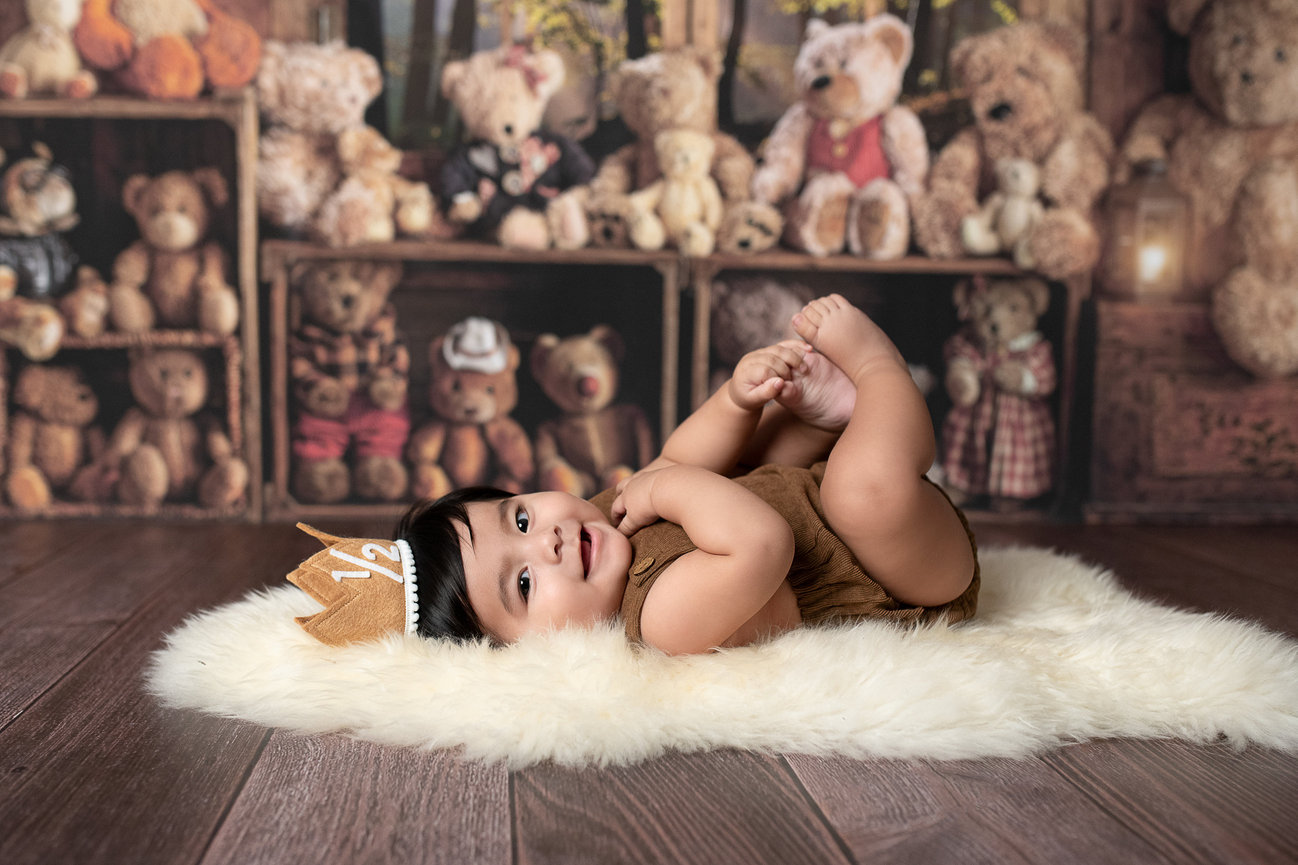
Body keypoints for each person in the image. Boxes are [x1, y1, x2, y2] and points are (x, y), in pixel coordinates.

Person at [287, 294, 978, 654]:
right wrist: (661, 487)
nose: (546, 543)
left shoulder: (596, 524)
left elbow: (682, 458)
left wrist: (734, 401)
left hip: (814, 499)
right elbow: (759, 540)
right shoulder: (660, 620)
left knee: (759, 447)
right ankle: (882, 368)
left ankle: (829, 418)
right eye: (524, 583)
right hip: (907, 572)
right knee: (859, 495)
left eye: (520, 518)